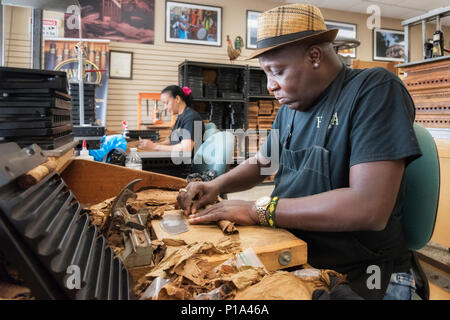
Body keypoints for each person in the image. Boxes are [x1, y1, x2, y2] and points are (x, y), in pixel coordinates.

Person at [177, 4, 422, 300]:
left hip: (364, 273)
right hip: (296, 252)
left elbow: (368, 207)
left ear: (315, 56)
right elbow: (263, 163)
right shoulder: (292, 106)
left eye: (277, 71)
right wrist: (216, 185)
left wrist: (260, 210)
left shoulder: (374, 90)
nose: (270, 86)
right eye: (266, 73)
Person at [138, 85, 204, 154]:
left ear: (177, 99)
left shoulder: (192, 118)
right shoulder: (181, 117)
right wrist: (152, 144)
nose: (164, 108)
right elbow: (171, 140)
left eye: (166, 103)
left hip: (188, 163)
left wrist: (154, 147)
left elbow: (186, 148)